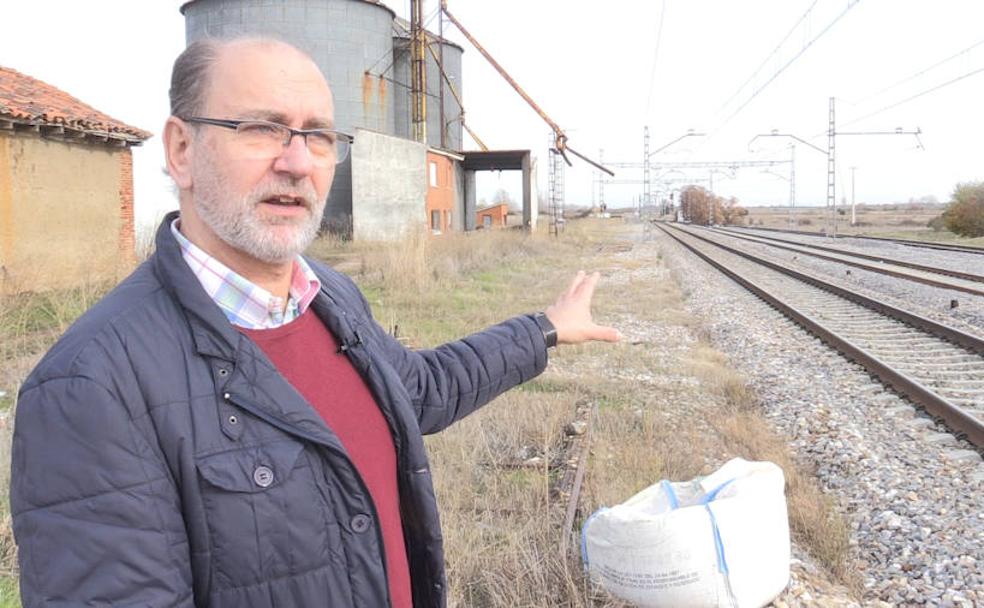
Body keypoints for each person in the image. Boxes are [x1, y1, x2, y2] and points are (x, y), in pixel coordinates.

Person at [9, 37, 618, 607]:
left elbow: (418, 391)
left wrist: (543, 329)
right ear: (182, 150)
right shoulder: (91, 388)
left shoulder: (331, 297)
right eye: (262, 128)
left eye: (319, 136)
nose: (297, 162)